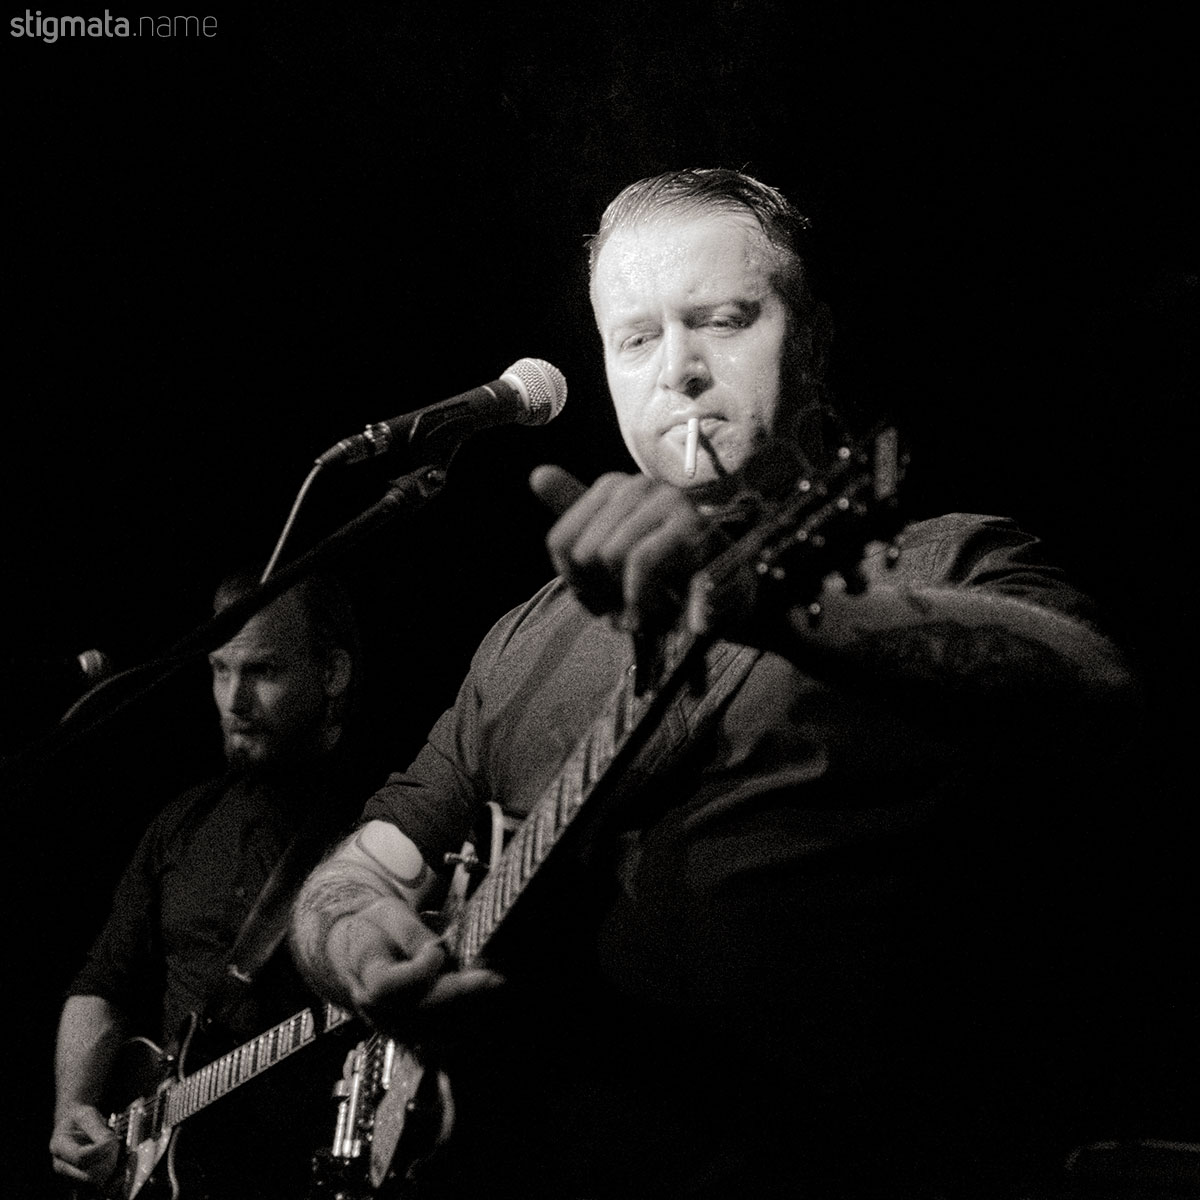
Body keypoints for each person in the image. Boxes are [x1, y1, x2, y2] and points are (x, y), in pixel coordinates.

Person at [288, 168, 1139, 1199]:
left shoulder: (935, 560)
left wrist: (779, 608)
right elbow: (358, 872)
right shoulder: (523, 640)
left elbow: (1094, 683)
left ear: (813, 338)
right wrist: (354, 942)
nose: (679, 371)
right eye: (636, 340)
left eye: (725, 321)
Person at [50, 569, 385, 1200]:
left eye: (262, 671)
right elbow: (102, 985)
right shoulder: (182, 822)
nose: (234, 700)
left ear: (332, 672)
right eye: (219, 670)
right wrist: (73, 1108)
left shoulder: (385, 819)